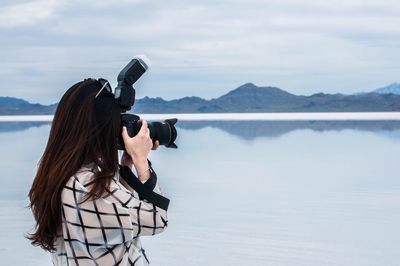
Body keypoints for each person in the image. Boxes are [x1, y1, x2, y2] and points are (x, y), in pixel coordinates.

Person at [27, 78, 168, 265]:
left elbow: (115, 214)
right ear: (99, 129)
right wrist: (142, 161)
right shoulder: (88, 187)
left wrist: (127, 164)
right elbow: (157, 219)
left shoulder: (55, 175)